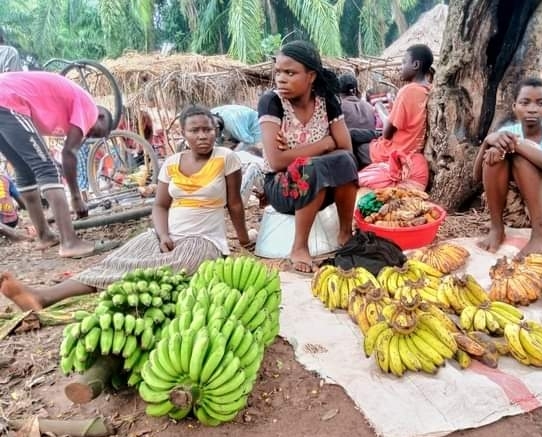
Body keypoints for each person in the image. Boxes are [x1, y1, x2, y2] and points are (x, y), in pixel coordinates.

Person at [0, 105, 254, 311]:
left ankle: (57, 297)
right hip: (166, 234)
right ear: (183, 133)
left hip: (203, 240)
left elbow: (234, 204)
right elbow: (160, 205)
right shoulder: (171, 163)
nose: (202, 135)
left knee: (165, 268)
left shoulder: (226, 158)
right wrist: (162, 234)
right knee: (117, 261)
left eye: (208, 129)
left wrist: (243, 240)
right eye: (195, 130)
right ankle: (44, 296)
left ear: (215, 130)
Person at [257, 40, 358, 274]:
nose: (281, 79)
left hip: (324, 186)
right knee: (310, 168)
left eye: (290, 73)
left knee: (344, 162)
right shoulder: (272, 102)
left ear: (311, 76)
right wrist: (325, 143)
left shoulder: (327, 101)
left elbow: (345, 149)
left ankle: (345, 233)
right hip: (281, 187)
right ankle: (299, 247)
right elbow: (277, 161)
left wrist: (295, 153)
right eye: (278, 72)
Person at [0, 71, 115, 258]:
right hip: (7, 99)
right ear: (100, 116)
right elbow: (68, 153)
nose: (87, 136)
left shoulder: (69, 107)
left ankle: (45, 236)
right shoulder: (89, 107)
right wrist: (76, 198)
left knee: (25, 170)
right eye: (95, 133)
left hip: (5, 99)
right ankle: (70, 243)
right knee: (48, 169)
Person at [474, 77, 542, 256]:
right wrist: (487, 143)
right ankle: (497, 228)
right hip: (515, 213)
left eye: (540, 103)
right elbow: (477, 178)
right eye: (525, 102)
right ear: (514, 106)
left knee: (523, 156)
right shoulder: (506, 132)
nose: (532, 109)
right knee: (496, 153)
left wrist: (517, 145)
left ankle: (541, 234)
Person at [366, 44, 434, 190]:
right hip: (412, 148)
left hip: (396, 150)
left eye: (403, 62)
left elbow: (387, 133)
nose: (400, 67)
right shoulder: (429, 89)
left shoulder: (407, 91)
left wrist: (380, 109)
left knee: (357, 146)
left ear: (416, 65)